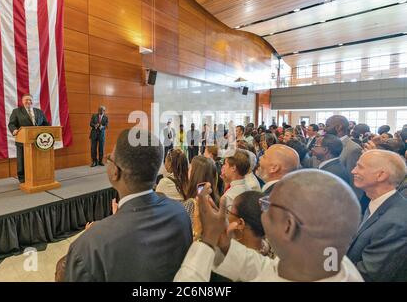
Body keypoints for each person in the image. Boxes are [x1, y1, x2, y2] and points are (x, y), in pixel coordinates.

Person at [174, 170, 363, 282]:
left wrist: (206, 240)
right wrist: (224, 242)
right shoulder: (329, 260)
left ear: (288, 226)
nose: (262, 210)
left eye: (267, 205)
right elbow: (269, 269)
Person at [64, 129, 192, 281]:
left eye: (109, 159)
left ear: (115, 172)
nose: (107, 162)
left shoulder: (88, 247)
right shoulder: (181, 214)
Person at [348, 150, 407, 281]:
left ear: (381, 175)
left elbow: (368, 275)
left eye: (360, 167)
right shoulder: (377, 203)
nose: (353, 171)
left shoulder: (396, 223)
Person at [8, 94, 50, 183]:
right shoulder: (16, 111)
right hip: (22, 141)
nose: (28, 102)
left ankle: (37, 176)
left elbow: (46, 123)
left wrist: (49, 130)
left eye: (30, 100)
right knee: (22, 160)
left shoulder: (39, 111)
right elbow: (11, 124)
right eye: (26, 100)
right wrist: (14, 130)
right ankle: (22, 178)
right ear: (22, 101)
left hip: (38, 142)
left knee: (37, 160)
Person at [325, 115, 363, 199]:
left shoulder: (353, 149)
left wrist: (351, 205)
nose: (324, 129)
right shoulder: (327, 144)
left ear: (338, 127)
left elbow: (354, 182)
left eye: (327, 126)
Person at [184, 155, 220, 240]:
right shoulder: (216, 201)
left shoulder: (191, 204)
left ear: (194, 174)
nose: (187, 171)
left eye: (190, 168)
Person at [226, 191, 272, 256]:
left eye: (229, 212)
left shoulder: (236, 259)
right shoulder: (271, 246)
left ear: (240, 223)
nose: (227, 216)